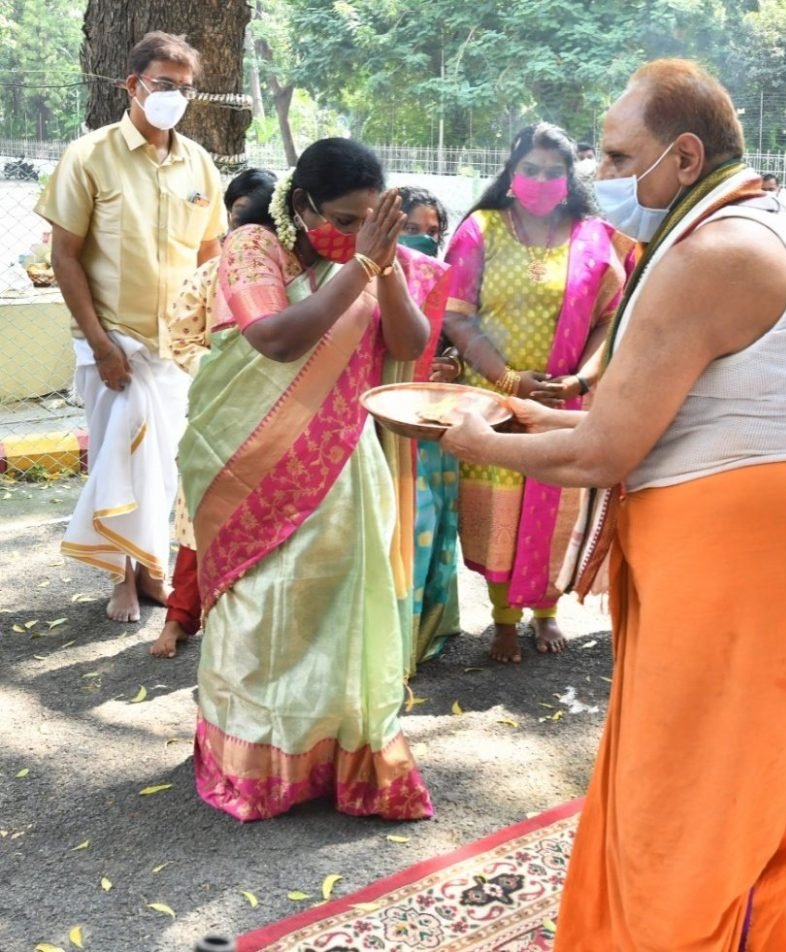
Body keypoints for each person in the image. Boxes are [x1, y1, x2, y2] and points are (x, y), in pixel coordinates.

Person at [443, 58, 786, 948]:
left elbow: (607, 448)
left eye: (618, 153)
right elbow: (681, 408)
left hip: (753, 573)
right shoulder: (765, 220)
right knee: (760, 801)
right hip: (780, 551)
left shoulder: (712, 252)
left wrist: (479, 444)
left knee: (696, 814)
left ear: (684, 155)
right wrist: (524, 412)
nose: (602, 174)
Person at [179, 138, 441, 821]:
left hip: (342, 467)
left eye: (369, 219)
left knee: (341, 616)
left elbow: (409, 345)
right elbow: (274, 339)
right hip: (248, 466)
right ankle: (257, 762)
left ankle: (336, 758)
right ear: (302, 204)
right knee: (265, 611)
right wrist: (361, 263)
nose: (357, 232)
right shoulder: (253, 248)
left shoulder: (373, 260)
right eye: (344, 219)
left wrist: (381, 271)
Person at [36, 31, 226, 624]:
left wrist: (211, 336)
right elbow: (64, 255)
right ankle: (120, 577)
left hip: (178, 348)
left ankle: (151, 568)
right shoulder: (90, 155)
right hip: (112, 342)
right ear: (133, 85)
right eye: (163, 85)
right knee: (118, 457)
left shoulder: (198, 163)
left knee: (167, 461)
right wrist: (100, 343)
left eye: (185, 89)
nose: (174, 96)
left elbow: (211, 254)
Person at [442, 122, 633, 663]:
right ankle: (504, 618)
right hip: (494, 401)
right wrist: (506, 379)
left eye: (554, 171)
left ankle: (546, 612)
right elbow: (459, 318)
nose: (542, 180)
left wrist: (579, 381)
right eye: (530, 169)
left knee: (555, 508)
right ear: (511, 171)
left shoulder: (595, 236)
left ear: (570, 177)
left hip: (564, 401)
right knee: (502, 511)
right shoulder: (480, 229)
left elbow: (611, 320)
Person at [150, 168, 277, 659]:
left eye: (258, 219)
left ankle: (246, 627)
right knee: (197, 519)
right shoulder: (209, 274)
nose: (247, 230)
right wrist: (224, 371)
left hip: (276, 420)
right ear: (228, 215)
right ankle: (180, 618)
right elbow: (179, 338)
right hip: (217, 415)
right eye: (240, 215)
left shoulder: (288, 276)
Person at [395, 185, 462, 666]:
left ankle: (428, 628)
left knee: (435, 524)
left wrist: (454, 363)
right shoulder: (373, 278)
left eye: (433, 232)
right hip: (390, 424)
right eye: (410, 229)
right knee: (404, 524)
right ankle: (397, 643)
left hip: (436, 425)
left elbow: (461, 339)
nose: (423, 239)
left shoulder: (444, 281)